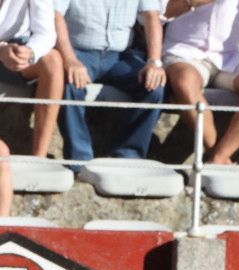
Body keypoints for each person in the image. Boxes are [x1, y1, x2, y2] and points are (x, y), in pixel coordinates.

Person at [162, 0, 239, 165]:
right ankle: (216, 155)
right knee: (185, 82)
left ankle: (219, 157)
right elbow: (156, 13)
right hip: (184, 52)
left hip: (232, 57)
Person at [53, 0, 164, 161]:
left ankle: (128, 155)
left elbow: (152, 16)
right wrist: (70, 59)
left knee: (155, 86)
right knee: (69, 82)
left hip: (120, 56)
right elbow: (56, 16)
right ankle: (79, 160)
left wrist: (154, 61)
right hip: (79, 52)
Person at [0, 0, 62, 158]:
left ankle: (38, 159)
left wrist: (29, 53)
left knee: (53, 60)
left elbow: (46, 33)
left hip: (13, 47)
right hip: (4, 50)